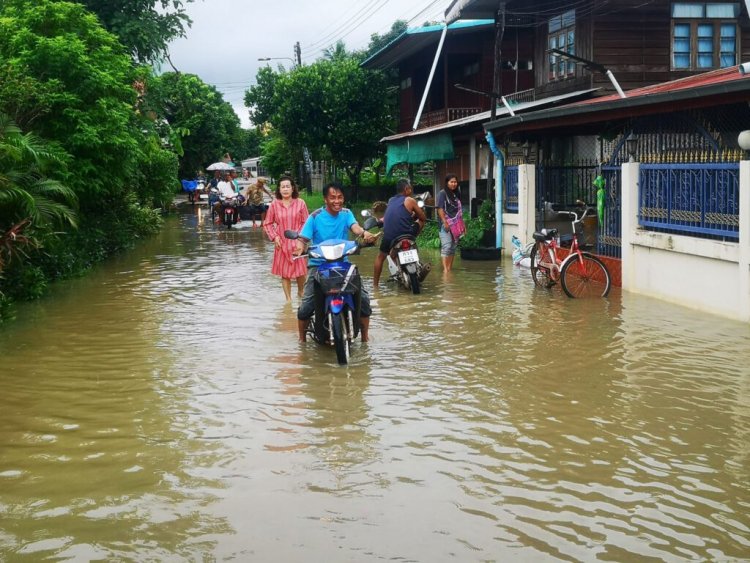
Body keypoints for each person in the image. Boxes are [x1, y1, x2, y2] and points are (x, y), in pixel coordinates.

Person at [293, 183, 376, 342]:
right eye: (332, 198)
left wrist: (365, 234)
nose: (337, 201)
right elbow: (303, 239)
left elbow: (355, 228)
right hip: (318, 266)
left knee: (364, 300)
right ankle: (301, 341)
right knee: (306, 307)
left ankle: (365, 338)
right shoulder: (315, 216)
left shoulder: (346, 213)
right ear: (325, 199)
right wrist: (299, 247)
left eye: (340, 197)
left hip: (343, 264)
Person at [373, 178, 427, 286]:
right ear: (406, 189)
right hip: (408, 234)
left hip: (390, 236)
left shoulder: (391, 200)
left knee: (380, 257)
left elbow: (391, 215)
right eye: (410, 188)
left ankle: (375, 286)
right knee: (421, 221)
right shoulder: (410, 200)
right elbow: (422, 217)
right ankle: (413, 240)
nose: (411, 191)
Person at [263, 176, 309, 301]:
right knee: (285, 274)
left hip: (298, 243)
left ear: (292, 188)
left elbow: (307, 223)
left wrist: (302, 240)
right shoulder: (274, 205)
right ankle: (288, 301)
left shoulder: (300, 203)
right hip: (281, 244)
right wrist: (275, 237)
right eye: (282, 187)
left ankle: (301, 293)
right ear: (279, 189)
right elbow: (267, 223)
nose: (285, 189)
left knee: (301, 273)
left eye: (288, 186)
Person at [436, 173, 463, 272]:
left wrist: (463, 225)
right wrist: (445, 222)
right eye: (451, 182)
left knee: (453, 247)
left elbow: (459, 211)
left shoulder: (457, 194)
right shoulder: (442, 194)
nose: (453, 184)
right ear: (447, 183)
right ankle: (445, 270)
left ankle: (449, 269)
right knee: (446, 246)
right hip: (445, 225)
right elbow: (440, 209)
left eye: (455, 182)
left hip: (456, 225)